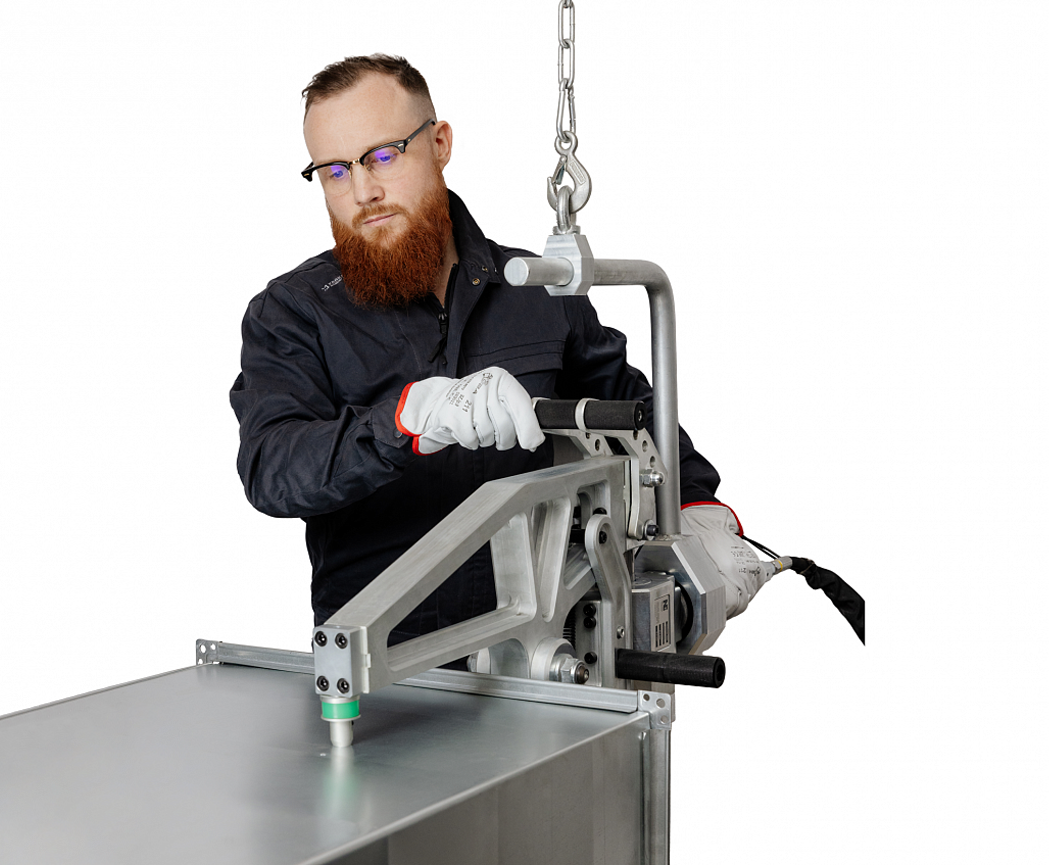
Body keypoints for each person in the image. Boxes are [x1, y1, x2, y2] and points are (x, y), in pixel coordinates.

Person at [230, 54, 767, 644]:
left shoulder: (537, 291)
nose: (363, 191)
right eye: (334, 171)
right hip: (383, 668)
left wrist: (699, 511)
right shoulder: (293, 312)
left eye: (383, 155)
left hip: (551, 656)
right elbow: (271, 468)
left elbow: (632, 412)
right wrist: (407, 419)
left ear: (440, 144)